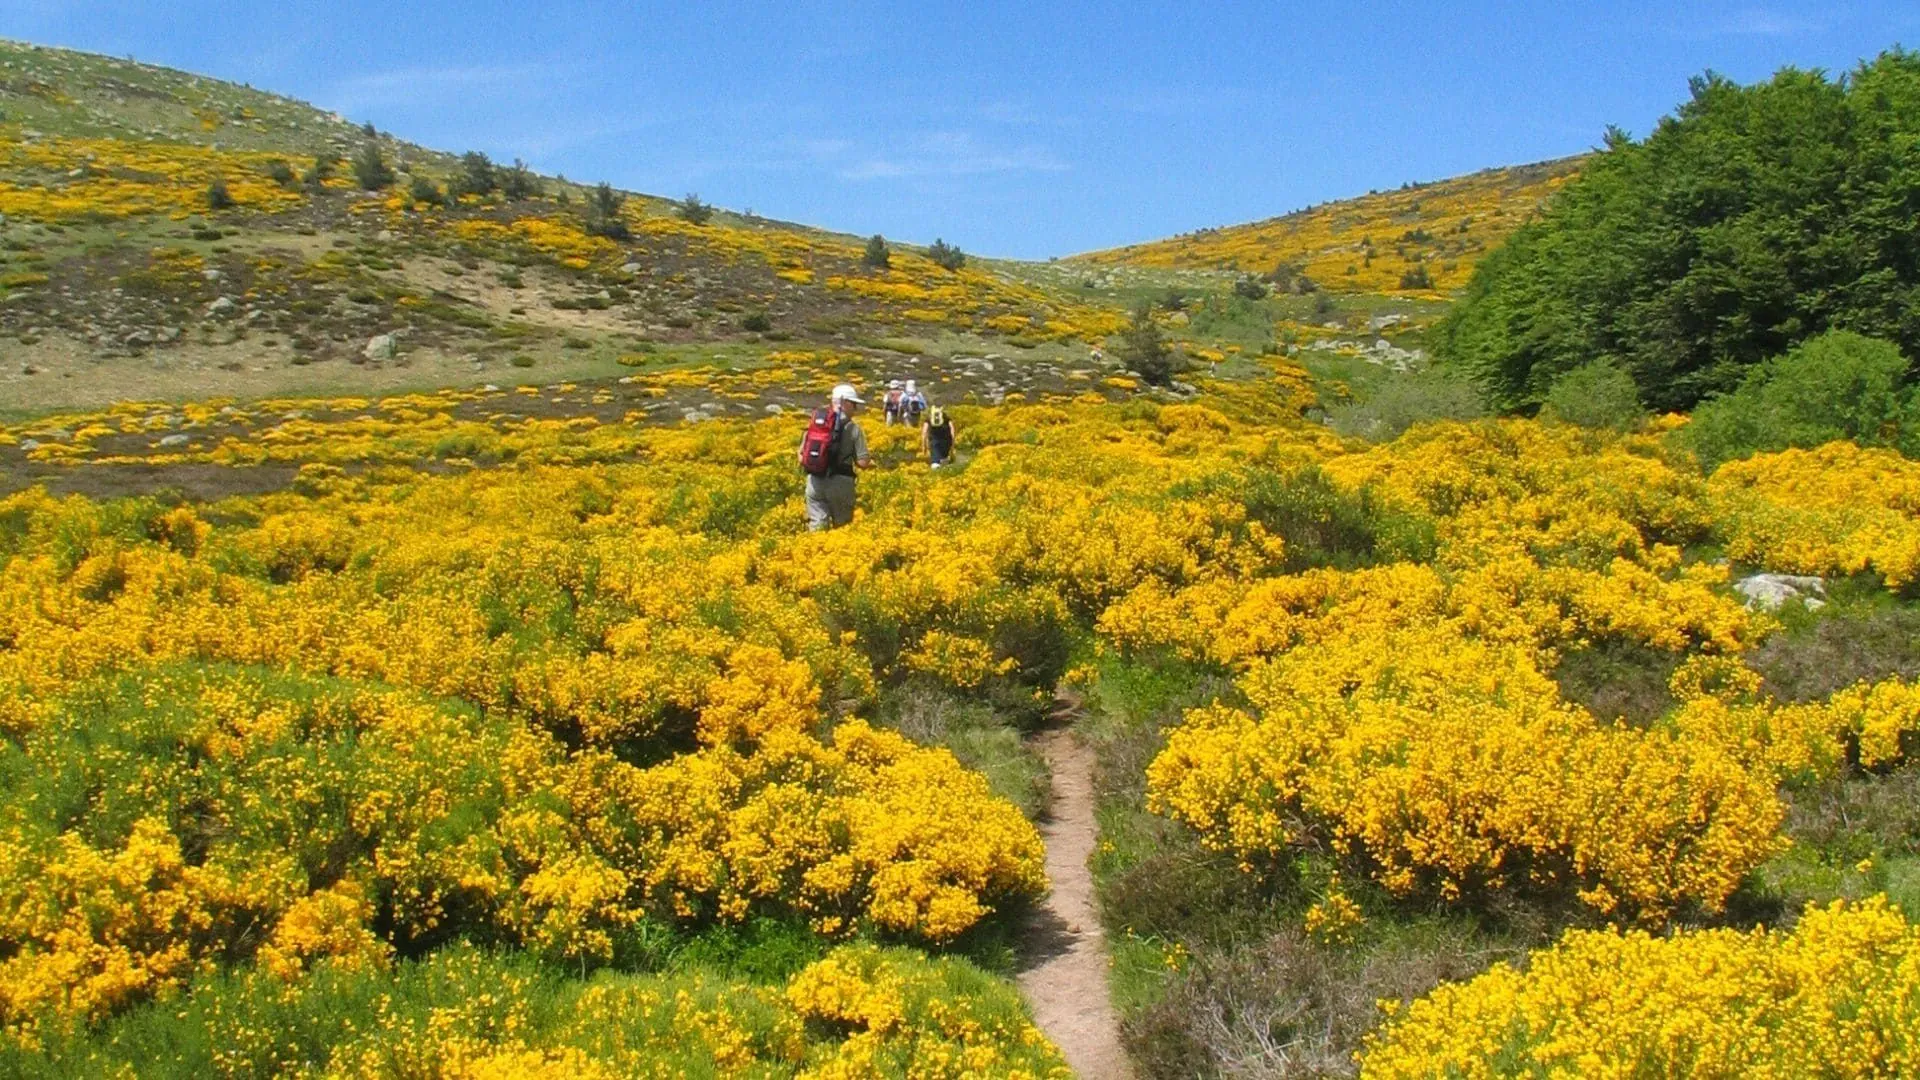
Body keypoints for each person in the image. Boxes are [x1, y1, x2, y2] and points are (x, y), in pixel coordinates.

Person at [799, 383, 872, 530]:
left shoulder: (817, 424)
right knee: (843, 528)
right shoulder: (853, 428)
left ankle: (814, 551)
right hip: (841, 483)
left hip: (814, 482)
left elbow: (801, 456)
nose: (856, 409)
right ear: (845, 403)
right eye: (854, 404)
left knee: (817, 525)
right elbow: (862, 463)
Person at [922, 404, 957, 469]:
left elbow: (924, 433)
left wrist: (924, 446)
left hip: (934, 443)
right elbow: (953, 432)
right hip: (946, 443)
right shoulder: (947, 419)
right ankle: (943, 474)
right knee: (944, 462)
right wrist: (952, 446)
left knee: (935, 463)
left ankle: (936, 475)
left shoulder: (929, 419)